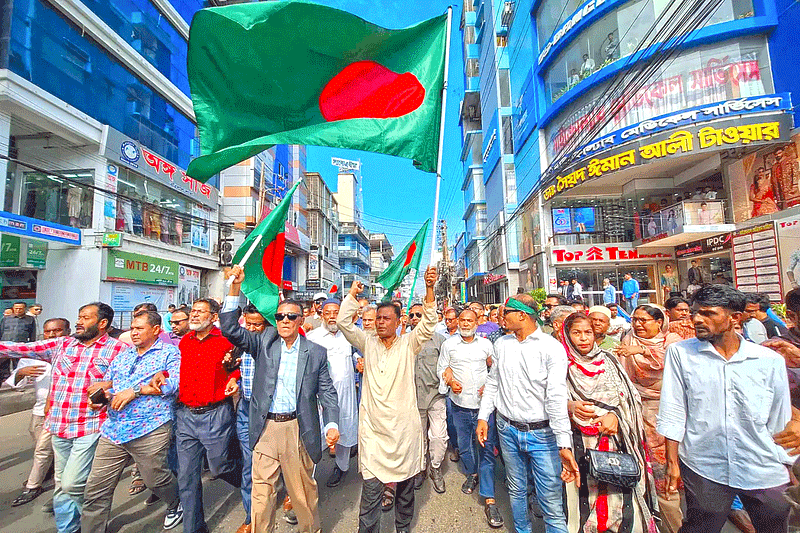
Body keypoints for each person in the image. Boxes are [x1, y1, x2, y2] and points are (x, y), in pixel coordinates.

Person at [658, 285, 793, 533]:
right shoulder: (681, 354)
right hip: (704, 465)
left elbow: (780, 416)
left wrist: (789, 464)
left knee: (774, 527)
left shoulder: (768, 359)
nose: (697, 319)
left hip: (763, 465)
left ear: (735, 318)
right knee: (700, 527)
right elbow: (674, 408)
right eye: (695, 313)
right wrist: (672, 462)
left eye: (708, 314)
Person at [221, 266, 340, 533]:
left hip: (297, 429)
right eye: (280, 316)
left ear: (301, 320)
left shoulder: (316, 353)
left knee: (302, 496)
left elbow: (327, 392)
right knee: (261, 497)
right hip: (265, 428)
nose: (285, 320)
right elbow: (229, 328)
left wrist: (331, 424)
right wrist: (234, 288)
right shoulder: (263, 343)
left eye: (291, 316)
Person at [0, 303, 127, 533]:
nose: (79, 322)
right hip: (58, 425)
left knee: (73, 483)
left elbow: (127, 383)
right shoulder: (62, 344)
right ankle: (68, 529)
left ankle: (93, 523)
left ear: (102, 324)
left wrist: (109, 386)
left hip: (89, 427)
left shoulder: (118, 350)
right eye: (78, 316)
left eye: (85, 318)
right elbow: (20, 349)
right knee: (61, 484)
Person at [336, 267, 438, 533]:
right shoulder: (367, 342)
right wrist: (351, 297)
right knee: (370, 492)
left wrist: (429, 289)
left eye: (386, 319)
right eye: (377, 318)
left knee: (405, 491)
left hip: (404, 431)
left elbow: (428, 324)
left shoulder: (409, 344)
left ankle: (402, 528)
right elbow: (344, 324)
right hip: (373, 432)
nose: (380, 322)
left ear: (398, 322)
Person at [476, 294, 579, 533]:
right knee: (516, 490)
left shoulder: (551, 348)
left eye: (507, 312)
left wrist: (564, 443)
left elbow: (555, 397)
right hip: (507, 429)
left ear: (522, 315)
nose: (502, 317)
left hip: (542, 434)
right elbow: (493, 383)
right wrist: (483, 417)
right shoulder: (502, 344)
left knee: (550, 499)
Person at [81, 310, 183, 533]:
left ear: (156, 330)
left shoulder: (170, 354)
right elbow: (112, 382)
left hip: (150, 427)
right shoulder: (125, 355)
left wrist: (134, 391)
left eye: (139, 328)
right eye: (132, 328)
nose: (133, 333)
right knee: (96, 488)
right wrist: (103, 395)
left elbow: (171, 386)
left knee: (155, 480)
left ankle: (176, 503)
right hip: (114, 429)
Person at [562, 313, 657, 532]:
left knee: (619, 502)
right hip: (579, 443)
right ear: (567, 336)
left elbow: (630, 397)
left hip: (616, 441)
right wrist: (570, 407)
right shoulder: (562, 364)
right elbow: (551, 400)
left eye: (588, 333)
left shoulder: (609, 360)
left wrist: (615, 415)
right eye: (576, 333)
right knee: (585, 500)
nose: (584, 338)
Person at [156, 297, 241, 533]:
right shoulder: (185, 342)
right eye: (193, 311)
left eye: (200, 312)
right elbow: (177, 369)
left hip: (215, 414)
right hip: (185, 416)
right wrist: (163, 373)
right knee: (186, 476)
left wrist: (234, 379)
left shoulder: (226, 341)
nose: (194, 315)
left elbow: (236, 367)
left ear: (214, 317)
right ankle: (193, 528)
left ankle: (251, 485)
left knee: (220, 467)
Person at [613, 305, 682, 533]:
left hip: (668, 410)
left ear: (659, 322)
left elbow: (666, 360)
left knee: (668, 472)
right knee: (643, 467)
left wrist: (641, 352)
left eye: (644, 320)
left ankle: (674, 523)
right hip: (635, 409)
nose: (638, 324)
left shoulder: (672, 340)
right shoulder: (628, 339)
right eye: (635, 320)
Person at [438, 309, 502, 528]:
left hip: (483, 407)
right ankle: (472, 473)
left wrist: (489, 385)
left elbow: (495, 368)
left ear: (477, 322)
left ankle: (489, 497)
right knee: (465, 446)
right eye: (462, 320)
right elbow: (443, 368)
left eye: (469, 320)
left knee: (486, 447)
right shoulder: (449, 345)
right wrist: (449, 379)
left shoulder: (486, 345)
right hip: (459, 405)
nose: (465, 324)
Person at [7, 317, 68, 507]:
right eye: (48, 331)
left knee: (45, 450)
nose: (51, 335)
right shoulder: (31, 356)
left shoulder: (71, 352)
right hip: (39, 410)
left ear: (66, 332)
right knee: (42, 447)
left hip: (61, 412)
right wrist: (21, 373)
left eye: (57, 331)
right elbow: (16, 383)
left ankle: (36, 487)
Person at [221, 303, 267, 533]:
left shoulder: (274, 342)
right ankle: (251, 517)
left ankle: (289, 496)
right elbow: (239, 367)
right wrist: (235, 379)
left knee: (282, 463)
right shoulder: (242, 343)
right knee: (249, 465)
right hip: (246, 408)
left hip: (271, 413)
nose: (252, 328)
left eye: (257, 324)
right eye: (248, 324)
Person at [306, 299, 359, 488]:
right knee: (316, 434)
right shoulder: (313, 337)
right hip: (321, 396)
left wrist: (357, 361)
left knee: (345, 429)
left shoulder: (350, 335)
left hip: (345, 395)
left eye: (336, 312)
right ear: (321, 315)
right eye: (327, 313)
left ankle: (341, 467)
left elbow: (356, 354)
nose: (331, 316)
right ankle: (307, 475)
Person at [408, 303, 448, 493]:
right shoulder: (404, 340)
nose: (415, 318)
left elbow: (448, 366)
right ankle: (421, 468)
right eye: (412, 315)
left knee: (439, 436)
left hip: (435, 395)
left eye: (419, 315)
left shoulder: (441, 340)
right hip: (413, 397)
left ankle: (436, 467)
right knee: (419, 437)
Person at [0, 301, 37, 381]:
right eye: (16, 308)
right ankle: (5, 381)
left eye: (20, 308)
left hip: (20, 346)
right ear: (13, 308)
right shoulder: (6, 319)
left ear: (25, 309)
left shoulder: (30, 319)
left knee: (18, 365)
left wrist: (31, 345)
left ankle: (18, 384)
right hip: (5, 345)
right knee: (3, 365)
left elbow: (32, 333)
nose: (18, 310)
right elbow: (1, 331)